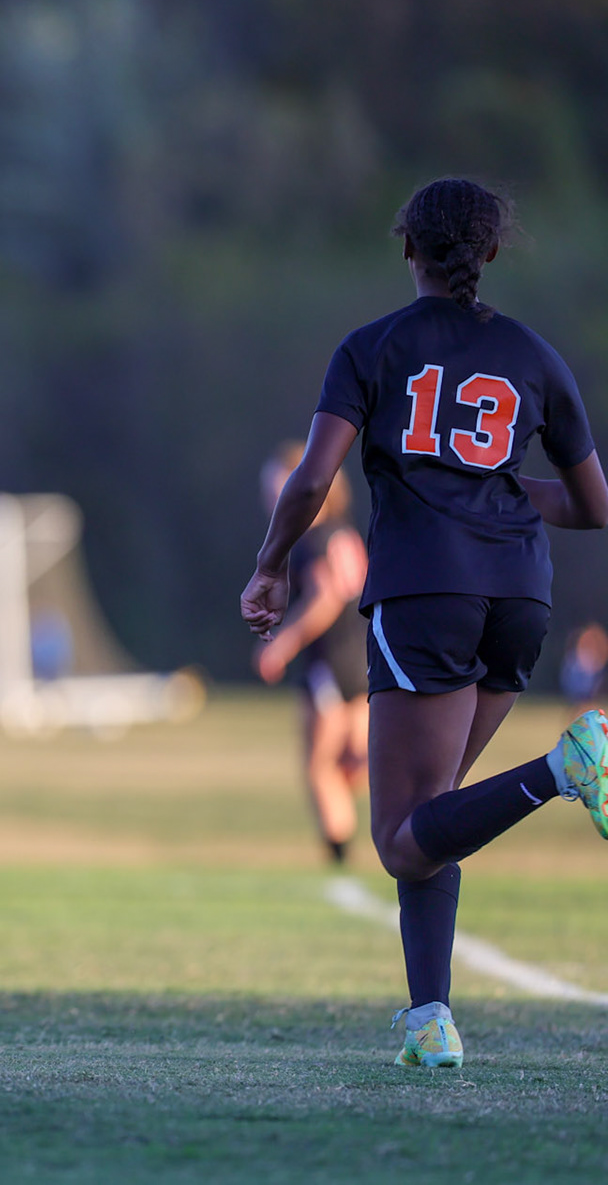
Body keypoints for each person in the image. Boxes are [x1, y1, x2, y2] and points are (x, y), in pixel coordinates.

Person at [241, 178, 608, 1070]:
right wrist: (496, 488)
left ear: (408, 249)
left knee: (401, 836)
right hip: (521, 595)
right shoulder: (534, 355)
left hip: (426, 594)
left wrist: (271, 563)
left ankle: (569, 764)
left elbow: (312, 480)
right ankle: (428, 1020)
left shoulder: (372, 348)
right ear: (488, 255)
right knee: (434, 818)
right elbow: (594, 504)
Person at [255, 441, 371, 864]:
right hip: (365, 655)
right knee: (351, 763)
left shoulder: (313, 538)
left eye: (278, 489)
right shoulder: (344, 530)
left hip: (332, 659)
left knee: (319, 766)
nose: (272, 501)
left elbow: (325, 598)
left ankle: (338, 861)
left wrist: (282, 644)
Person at [560, 622, 608, 715]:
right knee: (583, 706)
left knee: (586, 707)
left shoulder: (592, 657)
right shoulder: (577, 659)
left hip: (585, 686)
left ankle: (582, 724)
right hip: (579, 684)